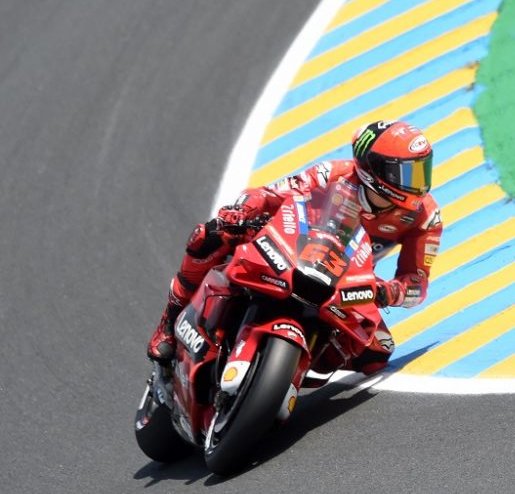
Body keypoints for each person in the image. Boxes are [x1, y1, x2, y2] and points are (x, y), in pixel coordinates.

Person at [147, 119, 442, 376]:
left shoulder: (425, 216)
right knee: (209, 236)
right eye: (407, 174)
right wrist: (242, 210)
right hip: (292, 247)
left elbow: (417, 282)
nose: (418, 184)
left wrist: (391, 291)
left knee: (377, 353)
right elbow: (271, 194)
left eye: (421, 171)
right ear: (374, 171)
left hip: (349, 280)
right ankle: (170, 323)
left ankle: (289, 369)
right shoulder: (333, 173)